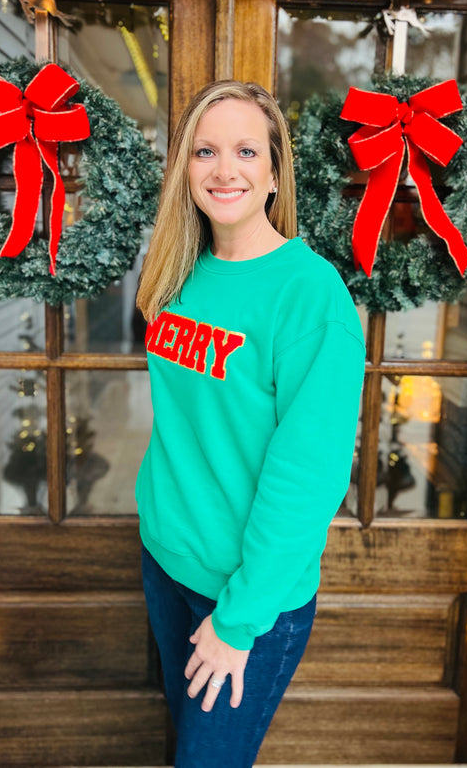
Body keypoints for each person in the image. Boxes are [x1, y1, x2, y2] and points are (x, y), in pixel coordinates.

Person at [135, 80, 365, 767]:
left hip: (246, 596)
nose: (223, 169)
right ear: (185, 168)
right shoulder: (176, 272)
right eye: (204, 151)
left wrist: (236, 621)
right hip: (165, 560)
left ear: (272, 171)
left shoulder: (309, 294)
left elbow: (307, 476)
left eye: (245, 150)